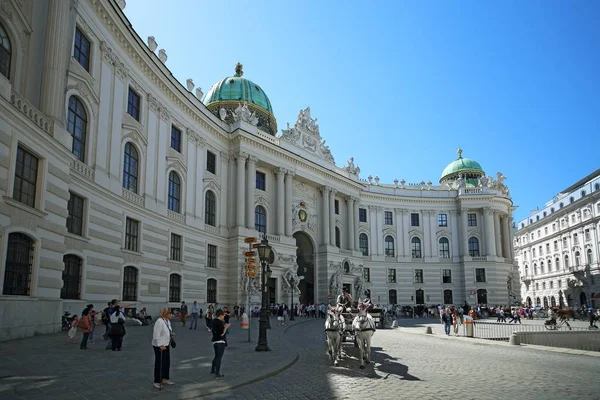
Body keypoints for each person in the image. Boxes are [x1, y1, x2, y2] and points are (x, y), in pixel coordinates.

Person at [152, 308, 175, 389]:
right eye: (170, 313)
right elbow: (156, 334)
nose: (172, 315)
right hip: (159, 345)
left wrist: (171, 334)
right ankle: (157, 381)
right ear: (166, 314)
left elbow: (166, 331)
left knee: (166, 362)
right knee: (159, 363)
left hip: (166, 343)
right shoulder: (159, 321)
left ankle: (165, 378)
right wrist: (160, 344)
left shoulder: (167, 321)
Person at [211, 309, 229, 378]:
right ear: (220, 315)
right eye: (223, 315)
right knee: (219, 358)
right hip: (220, 341)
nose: (224, 316)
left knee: (216, 356)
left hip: (215, 341)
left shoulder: (214, 321)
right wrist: (226, 327)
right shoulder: (219, 322)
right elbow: (222, 333)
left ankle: (213, 370)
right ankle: (217, 373)